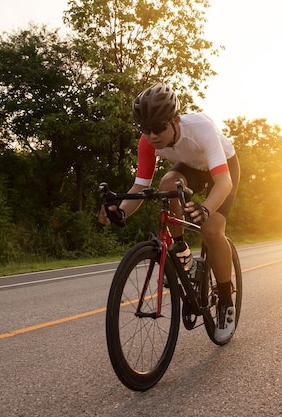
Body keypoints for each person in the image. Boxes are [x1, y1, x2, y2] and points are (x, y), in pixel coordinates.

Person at [98, 82, 240, 342]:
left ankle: (225, 300)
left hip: (222, 168)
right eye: (145, 129)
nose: (152, 136)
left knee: (211, 229)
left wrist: (206, 209)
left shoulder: (201, 129)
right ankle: (181, 251)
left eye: (159, 128)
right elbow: (141, 185)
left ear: (175, 120)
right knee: (166, 185)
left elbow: (224, 182)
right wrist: (120, 212)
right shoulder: (148, 141)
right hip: (191, 167)